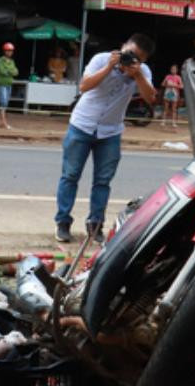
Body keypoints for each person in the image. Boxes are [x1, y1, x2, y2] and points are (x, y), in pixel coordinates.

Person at [54, 33, 156, 243]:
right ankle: (63, 222)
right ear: (123, 46)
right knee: (70, 176)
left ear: (143, 61)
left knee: (103, 181)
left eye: (137, 58)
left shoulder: (142, 72)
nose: (131, 59)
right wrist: (109, 67)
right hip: (82, 125)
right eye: (129, 53)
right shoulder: (101, 59)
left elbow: (150, 98)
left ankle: (96, 224)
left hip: (110, 132)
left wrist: (137, 76)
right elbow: (84, 86)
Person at [0, 41, 19, 129]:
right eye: (8, 50)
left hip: (9, 83)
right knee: (3, 102)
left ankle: (2, 122)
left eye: (11, 51)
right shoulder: (0, 60)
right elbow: (2, 71)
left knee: (6, 103)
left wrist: (9, 71)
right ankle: (4, 122)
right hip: (2, 83)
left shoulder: (12, 61)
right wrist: (10, 71)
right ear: (4, 51)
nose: (9, 52)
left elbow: (16, 72)